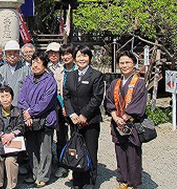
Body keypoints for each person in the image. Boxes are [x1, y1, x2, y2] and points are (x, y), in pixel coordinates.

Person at [105, 51, 147, 189]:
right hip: (117, 123)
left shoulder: (139, 83)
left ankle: (134, 183)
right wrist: (115, 116)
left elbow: (138, 103)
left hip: (132, 124)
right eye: (121, 63)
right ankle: (122, 179)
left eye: (127, 62)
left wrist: (124, 117)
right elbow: (109, 101)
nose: (124, 65)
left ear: (134, 64)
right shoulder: (115, 83)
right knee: (120, 152)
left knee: (133, 154)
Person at [63, 45, 104, 189]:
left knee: (90, 151)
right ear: (74, 58)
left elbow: (97, 98)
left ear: (90, 58)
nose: (82, 59)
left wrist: (84, 115)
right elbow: (66, 96)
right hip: (74, 121)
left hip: (90, 121)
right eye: (79, 56)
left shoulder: (96, 75)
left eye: (85, 55)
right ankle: (77, 181)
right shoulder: (71, 75)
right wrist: (72, 114)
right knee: (75, 150)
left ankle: (90, 182)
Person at [18, 52, 58, 188]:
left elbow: (46, 102)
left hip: (45, 119)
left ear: (45, 65)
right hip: (29, 119)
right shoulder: (28, 78)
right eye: (33, 62)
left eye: (38, 62)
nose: (35, 65)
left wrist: (30, 112)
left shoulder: (50, 80)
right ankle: (35, 173)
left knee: (44, 149)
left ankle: (43, 175)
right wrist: (25, 112)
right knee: (32, 148)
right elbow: (21, 97)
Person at [0, 85, 25, 189]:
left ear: (12, 97)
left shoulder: (18, 111)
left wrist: (12, 134)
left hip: (13, 144)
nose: (5, 99)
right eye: (2, 97)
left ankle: (11, 186)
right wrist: (2, 136)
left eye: (7, 96)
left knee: (10, 160)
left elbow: (21, 127)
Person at [54, 43, 77, 179]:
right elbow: (57, 91)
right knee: (61, 136)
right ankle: (62, 164)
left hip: (76, 109)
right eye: (63, 54)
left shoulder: (78, 70)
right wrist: (63, 106)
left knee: (75, 137)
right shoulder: (59, 71)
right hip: (62, 109)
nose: (65, 57)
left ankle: (74, 164)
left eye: (68, 53)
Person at [0, 40, 31, 106]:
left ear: (19, 54)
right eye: (9, 54)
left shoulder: (26, 70)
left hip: (22, 107)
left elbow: (30, 90)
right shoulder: (0, 71)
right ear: (5, 55)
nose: (12, 56)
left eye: (15, 53)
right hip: (4, 107)